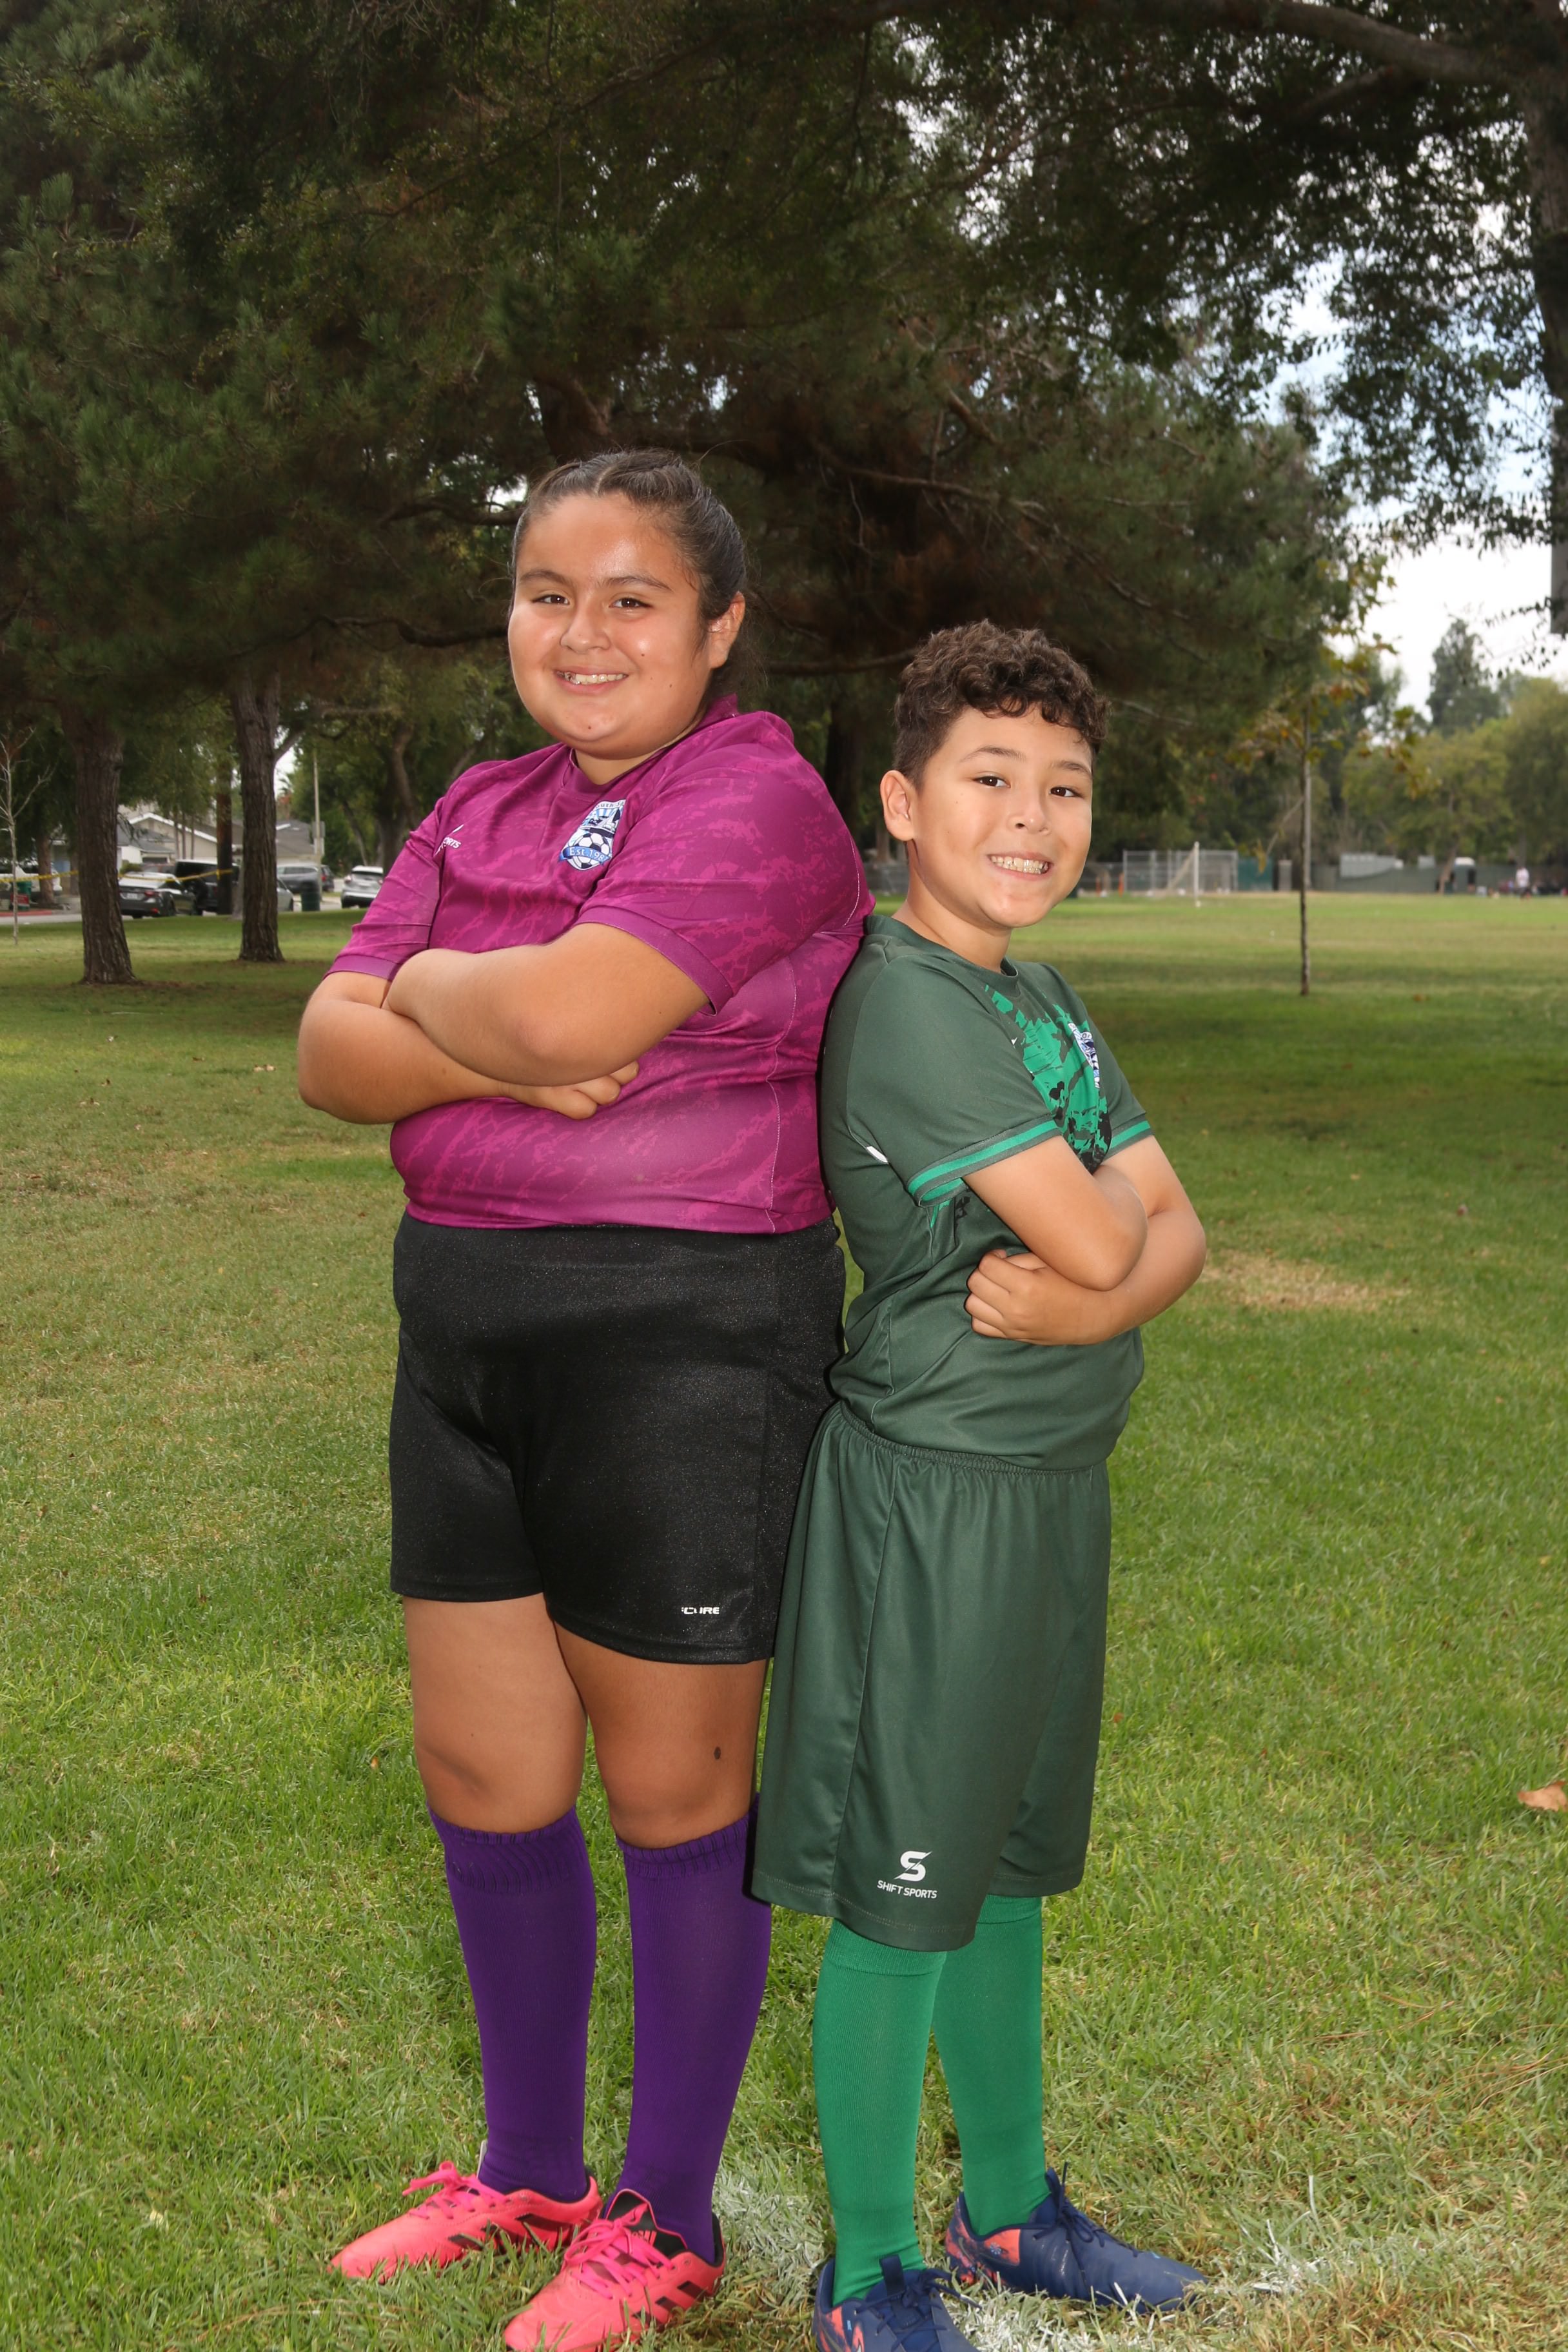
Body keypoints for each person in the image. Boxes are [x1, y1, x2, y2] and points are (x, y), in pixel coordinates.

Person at [297, 449, 872, 2351]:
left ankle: (667, 2219)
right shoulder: (481, 803)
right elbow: (325, 1054)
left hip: (683, 1337)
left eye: (636, 597)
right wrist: (487, 1013)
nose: (586, 631)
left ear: (719, 627)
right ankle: (532, 2167)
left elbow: (555, 1023)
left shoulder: (756, 795)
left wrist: (434, 994)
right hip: (464, 1331)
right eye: (550, 592)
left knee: (674, 1785)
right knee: (487, 1772)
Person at [752, 624, 1210, 2351]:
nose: (1033, 816)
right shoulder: (908, 1002)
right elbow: (1108, 1224)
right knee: (909, 1883)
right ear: (901, 802)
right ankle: (872, 2268)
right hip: (936, 1502)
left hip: (1049, 1488)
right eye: (991, 777)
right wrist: (1112, 1258)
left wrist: (1101, 1296)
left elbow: (1176, 1235)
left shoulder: (1042, 997)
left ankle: (1009, 2209)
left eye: (1066, 787)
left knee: (1006, 1869)